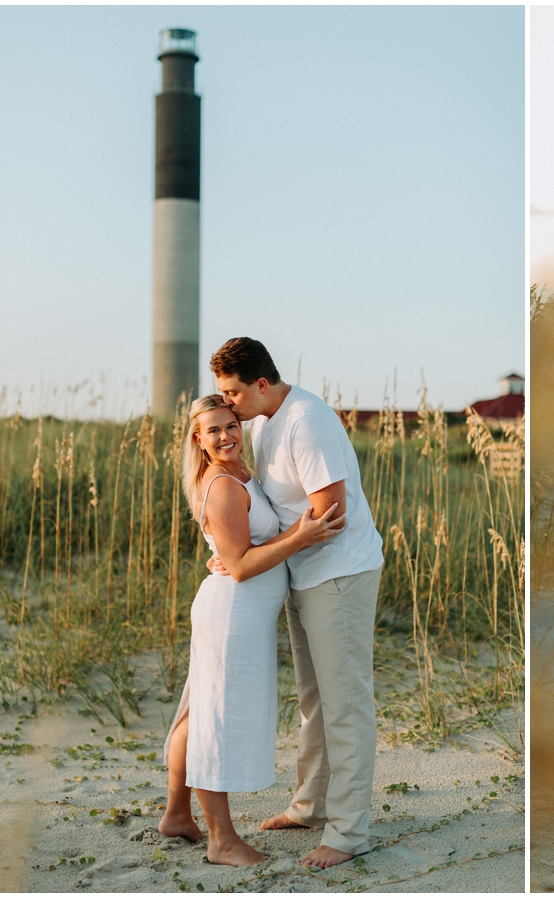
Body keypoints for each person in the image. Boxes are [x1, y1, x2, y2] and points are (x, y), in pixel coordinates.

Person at [209, 337, 385, 871]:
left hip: (340, 575)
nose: (228, 405)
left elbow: (328, 515)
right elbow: (289, 515)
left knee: (345, 702)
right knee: (314, 700)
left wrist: (263, 552)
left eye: (232, 392)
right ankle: (312, 806)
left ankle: (350, 831)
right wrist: (238, 553)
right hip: (302, 574)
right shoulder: (264, 421)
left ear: (261, 383)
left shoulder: (307, 419)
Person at [160, 395, 343, 866]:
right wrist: (301, 537)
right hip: (232, 616)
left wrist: (248, 546)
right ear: (198, 441)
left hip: (241, 614)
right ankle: (222, 841)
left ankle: (178, 814)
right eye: (213, 431)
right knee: (213, 721)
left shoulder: (241, 472)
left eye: (231, 426)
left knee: (199, 712)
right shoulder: (222, 484)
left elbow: (240, 547)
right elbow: (240, 567)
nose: (225, 436)